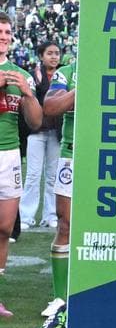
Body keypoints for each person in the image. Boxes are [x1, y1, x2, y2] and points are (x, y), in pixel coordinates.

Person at [0, 13, 44, 318]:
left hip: (10, 155)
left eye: (6, 32)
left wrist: (28, 94)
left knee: (4, 228)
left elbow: (36, 121)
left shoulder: (21, 75)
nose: (3, 36)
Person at [41, 53, 77, 318]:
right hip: (72, 155)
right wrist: (82, 89)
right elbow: (51, 107)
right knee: (65, 225)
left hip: (108, 157)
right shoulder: (68, 71)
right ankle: (60, 297)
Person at [18, 41, 61, 229]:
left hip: (56, 133)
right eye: (49, 53)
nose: (54, 57)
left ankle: (50, 215)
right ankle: (26, 216)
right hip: (36, 132)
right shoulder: (33, 75)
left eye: (57, 53)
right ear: (41, 56)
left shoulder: (63, 75)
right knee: (33, 175)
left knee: (52, 176)